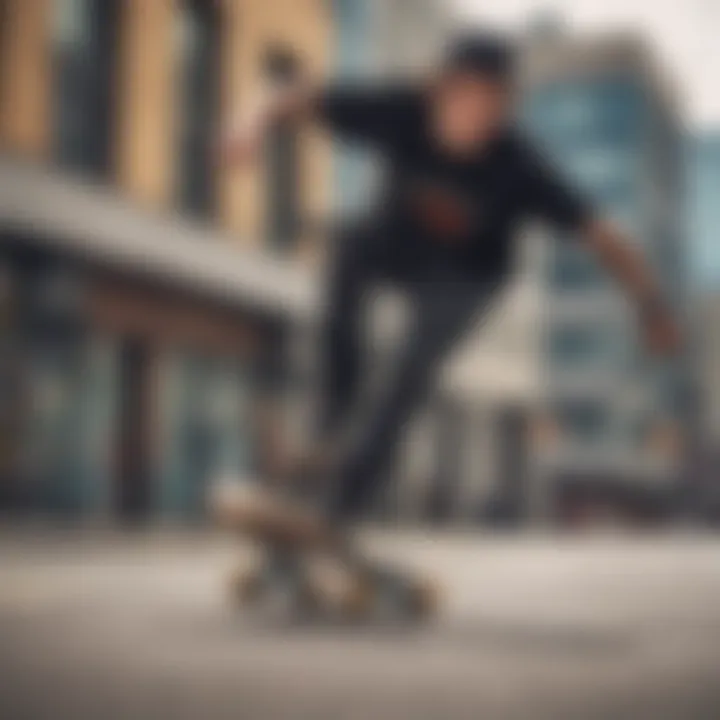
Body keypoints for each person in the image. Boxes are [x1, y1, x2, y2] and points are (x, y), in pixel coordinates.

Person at [219, 32, 680, 533]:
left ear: (506, 107)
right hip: (395, 247)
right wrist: (247, 127)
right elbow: (292, 96)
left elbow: (607, 238)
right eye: (464, 99)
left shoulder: (519, 164)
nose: (475, 117)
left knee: (407, 371)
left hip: (468, 278)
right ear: (438, 91)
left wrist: (651, 309)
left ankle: (338, 508)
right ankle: (330, 426)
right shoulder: (400, 109)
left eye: (491, 105)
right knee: (346, 248)